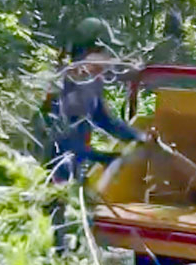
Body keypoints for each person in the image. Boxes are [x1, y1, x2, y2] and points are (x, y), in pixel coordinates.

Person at [48, 17, 149, 183]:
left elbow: (105, 120)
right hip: (51, 173)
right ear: (89, 51)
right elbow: (63, 143)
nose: (108, 58)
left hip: (73, 169)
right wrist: (102, 157)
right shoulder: (63, 84)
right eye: (104, 52)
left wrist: (138, 137)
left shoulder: (92, 83)